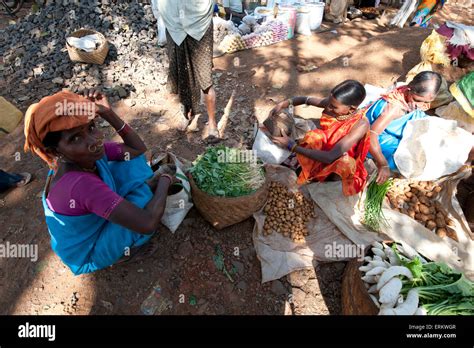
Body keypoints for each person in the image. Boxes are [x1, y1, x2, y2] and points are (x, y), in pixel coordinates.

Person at [24, 90, 177, 275]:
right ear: (55, 151)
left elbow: (136, 149)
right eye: (75, 138)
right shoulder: (79, 185)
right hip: (87, 253)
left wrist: (107, 112)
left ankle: (134, 196)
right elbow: (148, 223)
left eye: (91, 127)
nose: (94, 140)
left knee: (131, 161)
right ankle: (123, 254)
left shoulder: (82, 155)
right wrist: (165, 181)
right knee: (144, 203)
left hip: (91, 217)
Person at [270, 80, 371, 196]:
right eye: (329, 102)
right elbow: (305, 99)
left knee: (344, 164)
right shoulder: (333, 104)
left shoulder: (360, 125)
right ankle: (308, 167)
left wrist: (292, 146)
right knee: (313, 137)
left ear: (351, 109)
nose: (328, 108)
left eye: (333, 107)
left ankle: (322, 178)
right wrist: (284, 104)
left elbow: (330, 157)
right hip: (327, 148)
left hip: (337, 157)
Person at [158, 0, 219, 142]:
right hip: (174, 24)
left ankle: (212, 122)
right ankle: (186, 114)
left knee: (205, 78)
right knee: (182, 74)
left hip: (199, 22)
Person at [367, 71, 442, 184]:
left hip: (392, 124)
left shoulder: (409, 98)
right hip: (376, 137)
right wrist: (383, 165)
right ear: (408, 90)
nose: (421, 105)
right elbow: (371, 135)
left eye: (427, 102)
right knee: (408, 158)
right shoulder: (393, 108)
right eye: (417, 100)